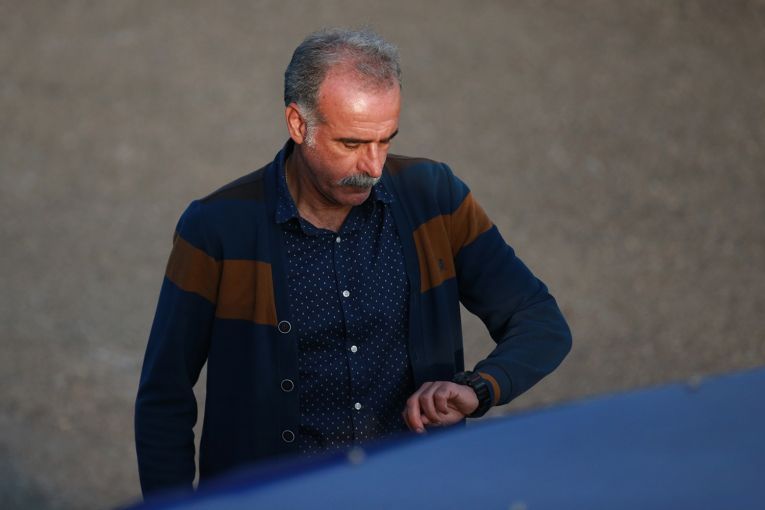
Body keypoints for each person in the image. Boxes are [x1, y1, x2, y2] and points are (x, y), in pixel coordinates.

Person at [135, 28, 571, 497]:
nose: (374, 166)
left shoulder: (435, 197)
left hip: (415, 492)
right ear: (298, 124)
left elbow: (539, 320)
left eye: (386, 140)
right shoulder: (216, 229)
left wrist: (478, 388)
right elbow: (165, 395)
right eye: (352, 144)